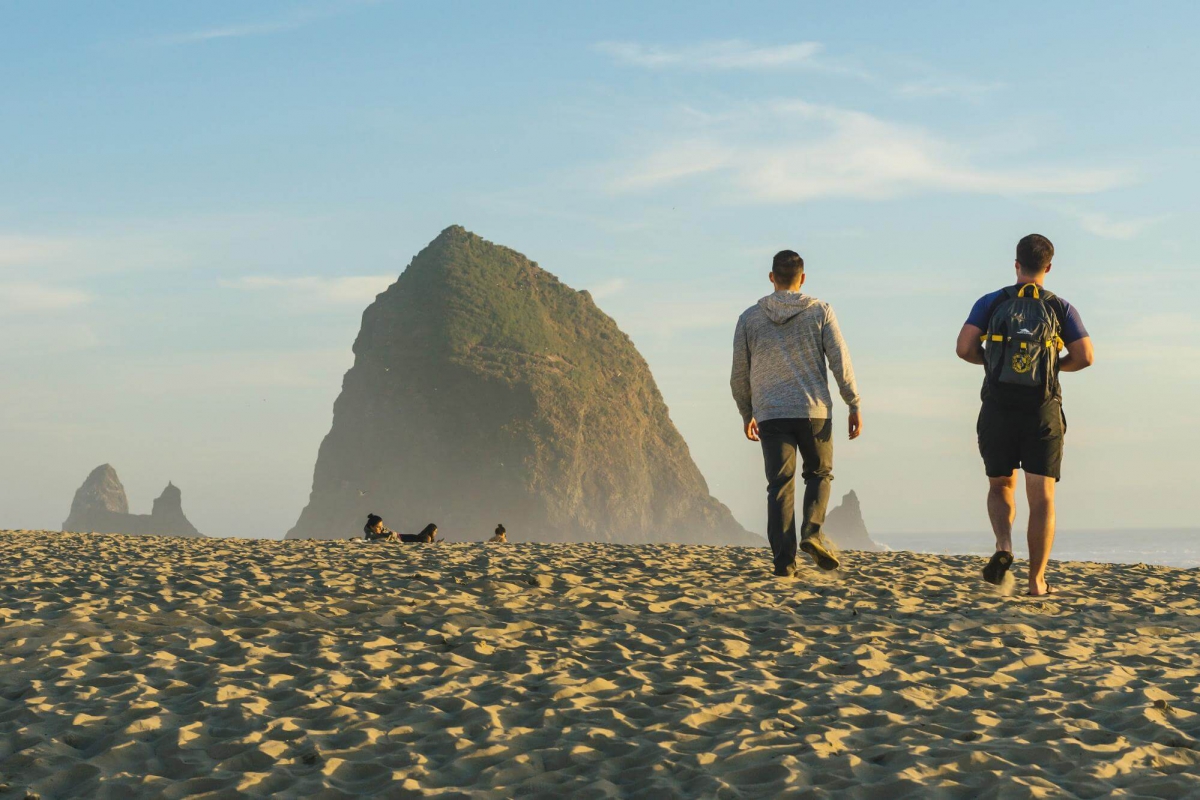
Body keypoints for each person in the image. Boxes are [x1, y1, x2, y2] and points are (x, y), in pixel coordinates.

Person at [955, 234, 1094, 596]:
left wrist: (992, 364)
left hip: (998, 406)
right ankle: (1036, 582)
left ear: (1016, 264)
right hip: (1042, 408)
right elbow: (1086, 356)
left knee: (1001, 484)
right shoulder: (1060, 308)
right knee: (1042, 496)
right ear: (1048, 267)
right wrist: (1052, 368)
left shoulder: (992, 302)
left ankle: (1004, 546)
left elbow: (964, 348)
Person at [731, 250, 862, 577]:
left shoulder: (749, 318)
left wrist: (747, 411)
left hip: (771, 414)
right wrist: (853, 402)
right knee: (818, 474)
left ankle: (784, 565)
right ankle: (812, 532)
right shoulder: (820, 311)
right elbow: (839, 362)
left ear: (772, 277)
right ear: (802, 278)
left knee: (779, 486)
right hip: (814, 412)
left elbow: (739, 374)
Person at [363, 515, 440, 543]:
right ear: (371, 527)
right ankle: (432, 540)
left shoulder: (380, 530)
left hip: (400, 536)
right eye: (378, 527)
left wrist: (391, 533)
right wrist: (390, 535)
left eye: (381, 526)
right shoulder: (370, 536)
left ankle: (432, 540)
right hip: (400, 540)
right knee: (423, 539)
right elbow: (376, 541)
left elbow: (388, 532)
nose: (380, 529)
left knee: (421, 535)